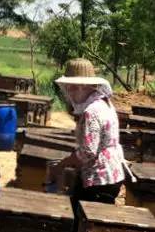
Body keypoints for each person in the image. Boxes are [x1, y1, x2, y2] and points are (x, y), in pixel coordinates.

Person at [50, 58, 126, 204]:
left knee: (84, 221)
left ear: (83, 86)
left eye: (71, 87)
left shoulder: (91, 111)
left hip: (99, 178)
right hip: (111, 174)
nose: (69, 92)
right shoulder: (104, 103)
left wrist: (64, 163)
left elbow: (88, 152)